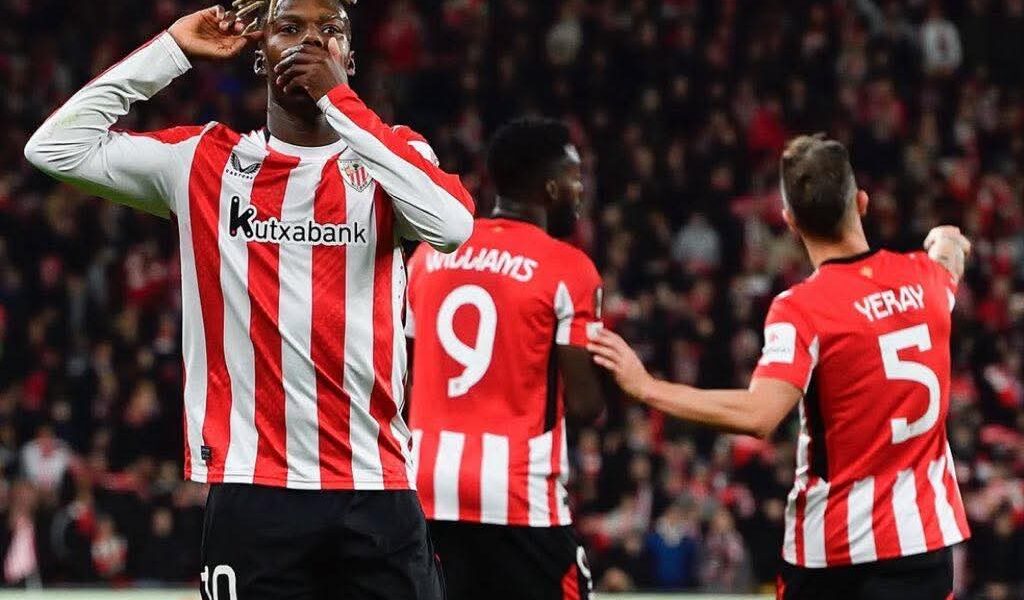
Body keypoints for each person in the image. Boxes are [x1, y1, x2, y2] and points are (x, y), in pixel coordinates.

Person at [23, 1, 476, 598]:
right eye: (289, 28)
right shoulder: (202, 163)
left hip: (376, 488)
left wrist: (338, 103)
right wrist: (173, 49)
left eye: (330, 31)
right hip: (254, 491)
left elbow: (452, 226)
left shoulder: (394, 159)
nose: (310, 41)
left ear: (350, 60)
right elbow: (54, 148)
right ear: (261, 55)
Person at [588, 134, 973, 600]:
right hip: (924, 545)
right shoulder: (927, 279)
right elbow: (949, 258)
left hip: (835, 554)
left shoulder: (803, 309)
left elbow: (759, 414)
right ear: (862, 202)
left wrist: (647, 387)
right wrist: (946, 238)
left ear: (790, 222)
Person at [404, 118, 604, 599]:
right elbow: (585, 405)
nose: (580, 190)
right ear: (550, 187)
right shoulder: (568, 267)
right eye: (575, 177)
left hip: (426, 484)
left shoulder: (429, 257)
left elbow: (403, 376)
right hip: (517, 491)